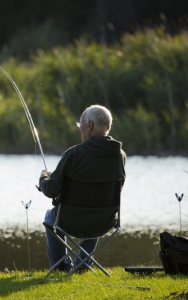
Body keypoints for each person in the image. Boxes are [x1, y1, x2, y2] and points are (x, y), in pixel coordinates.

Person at [38, 104, 126, 272]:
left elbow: (50, 190)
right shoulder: (119, 156)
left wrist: (43, 176)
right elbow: (118, 188)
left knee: (50, 217)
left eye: (81, 124)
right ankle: (82, 265)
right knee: (95, 211)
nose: (80, 129)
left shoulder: (73, 154)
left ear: (90, 125)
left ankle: (61, 267)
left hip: (68, 220)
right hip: (105, 221)